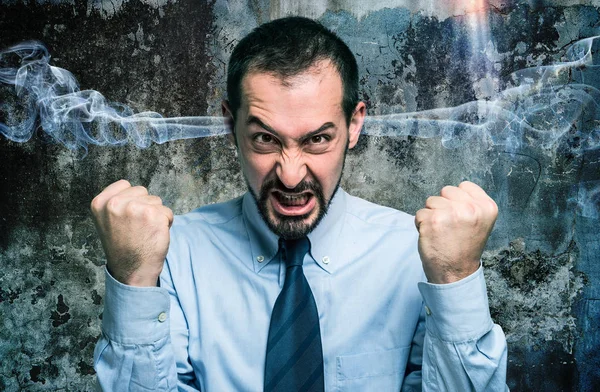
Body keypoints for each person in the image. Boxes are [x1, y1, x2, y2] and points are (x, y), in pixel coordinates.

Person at [92, 16, 507, 391]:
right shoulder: (174, 254)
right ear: (229, 124)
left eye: (317, 139)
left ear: (354, 125)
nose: (291, 175)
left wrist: (454, 278)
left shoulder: (415, 254)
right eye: (266, 139)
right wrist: (133, 281)